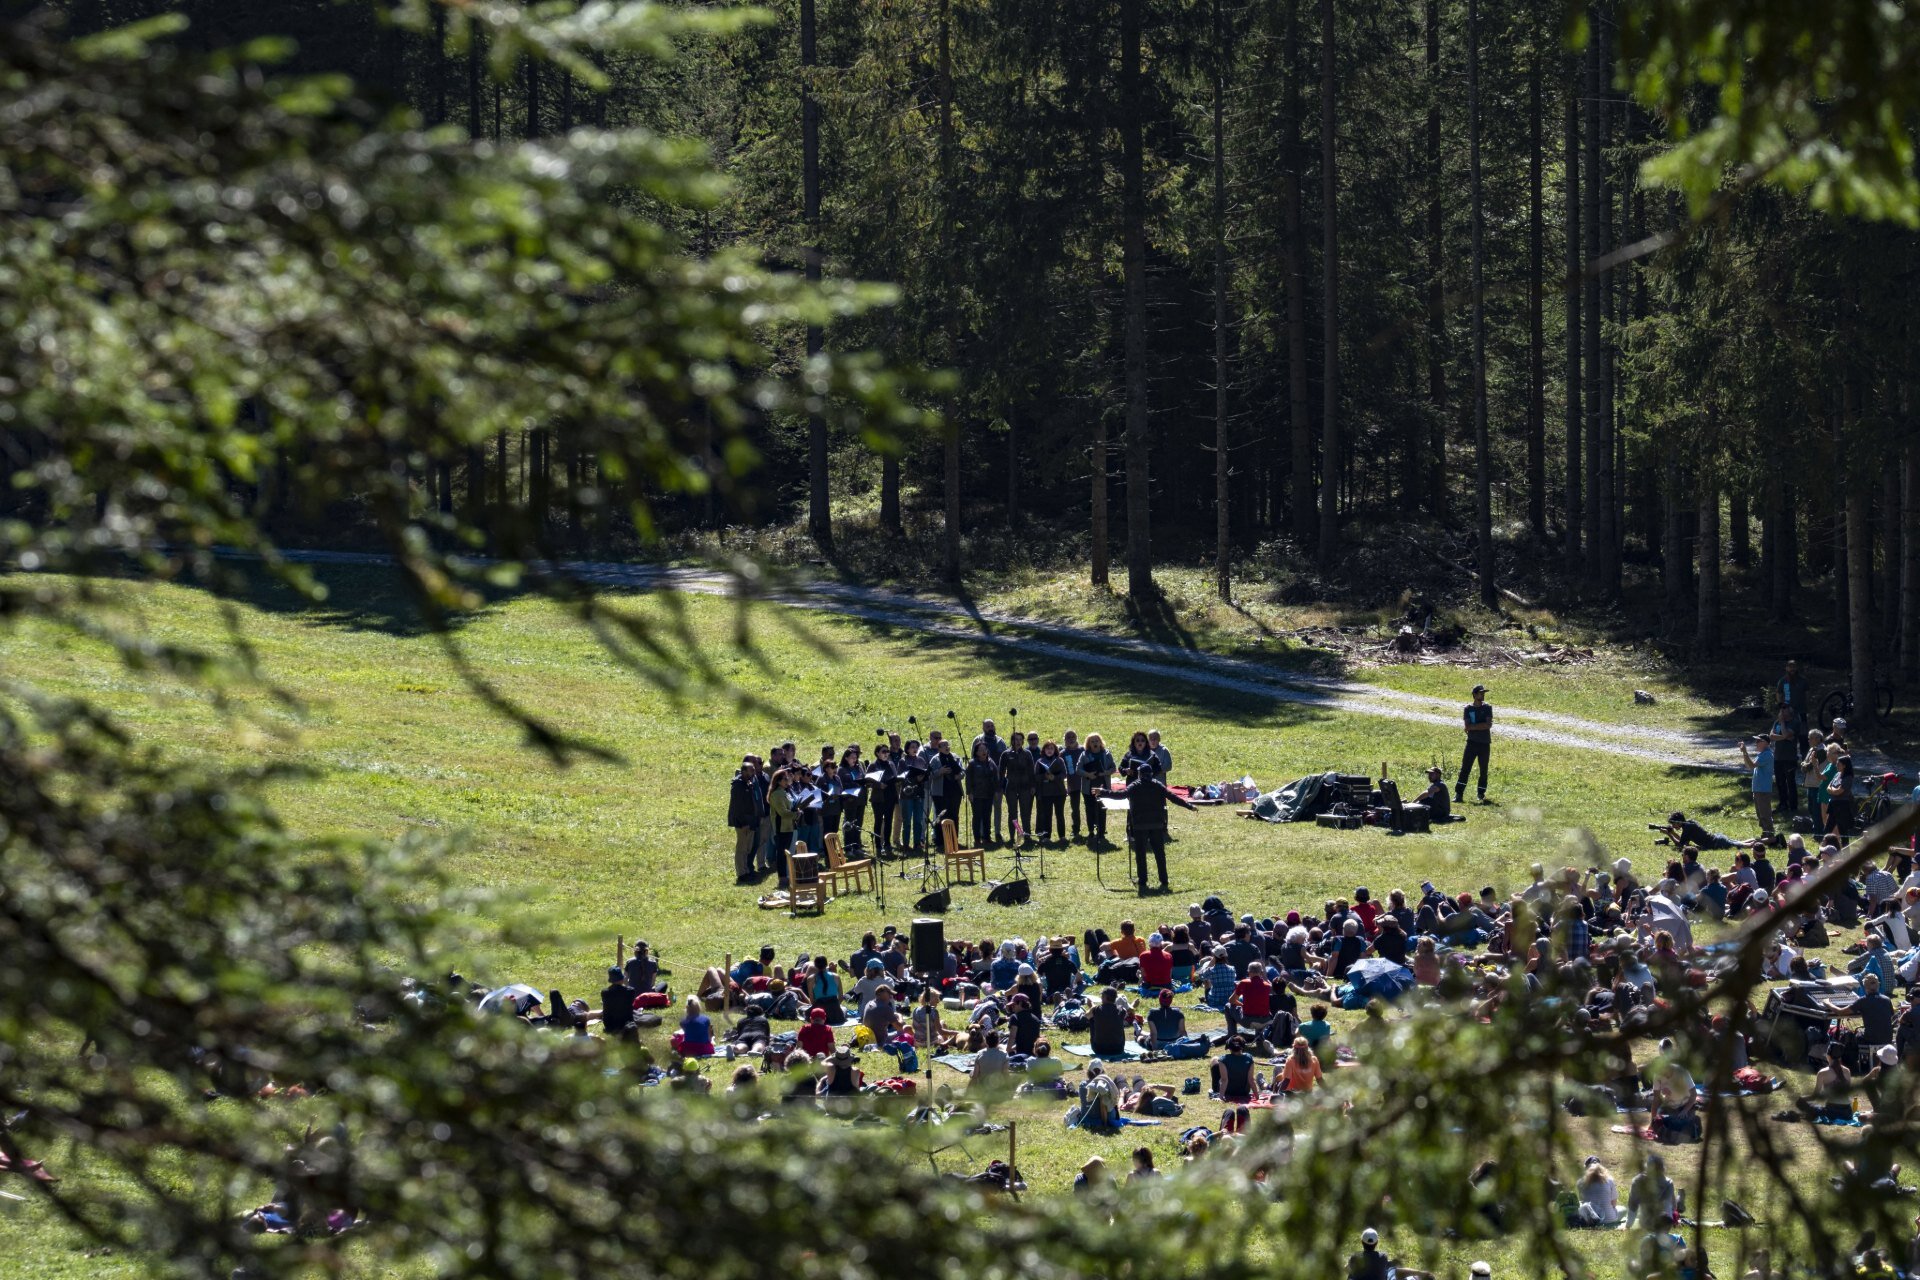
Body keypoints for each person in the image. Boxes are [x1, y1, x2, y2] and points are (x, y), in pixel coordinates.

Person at [1101, 764, 1199, 894]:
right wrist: (1189, 806)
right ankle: (1164, 880)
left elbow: (1120, 795)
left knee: (1141, 854)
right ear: (1151, 774)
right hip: (1157, 824)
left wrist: (1102, 792)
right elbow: (1173, 798)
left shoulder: (1135, 786)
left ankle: (1143, 881)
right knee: (1160, 854)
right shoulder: (1157, 785)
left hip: (1140, 825)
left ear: (1139, 774)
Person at [729, 755, 769, 882]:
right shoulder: (738, 785)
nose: (754, 772)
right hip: (743, 823)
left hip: (752, 821)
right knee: (741, 848)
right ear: (744, 771)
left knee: (748, 848)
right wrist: (743, 822)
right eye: (751, 770)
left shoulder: (750, 783)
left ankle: (746, 870)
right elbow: (737, 807)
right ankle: (741, 873)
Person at [972, 719, 1009, 842]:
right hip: (981, 783)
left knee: (997, 808)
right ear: (983, 728)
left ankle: (997, 832)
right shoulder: (977, 740)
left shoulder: (1000, 741)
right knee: (983, 810)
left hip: (997, 780)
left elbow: (1006, 760)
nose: (990, 728)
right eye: (987, 726)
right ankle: (983, 834)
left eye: (992, 725)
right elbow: (973, 759)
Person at [1457, 683, 1492, 804]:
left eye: (1483, 693)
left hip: (1484, 743)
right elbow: (1467, 726)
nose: (1483, 695)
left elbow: (1488, 725)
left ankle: (1481, 793)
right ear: (1474, 694)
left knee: (1483, 770)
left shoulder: (1487, 707)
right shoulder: (1468, 708)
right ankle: (1459, 794)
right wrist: (1477, 726)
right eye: (1480, 693)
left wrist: (1473, 727)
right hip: (1471, 743)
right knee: (1465, 768)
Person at [1078, 733, 1117, 843]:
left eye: (1097, 741)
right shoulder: (1084, 755)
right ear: (1088, 744)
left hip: (1103, 786)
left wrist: (1106, 772)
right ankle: (1091, 831)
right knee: (1089, 809)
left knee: (1102, 809)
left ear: (1100, 742)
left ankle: (1101, 833)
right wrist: (1088, 774)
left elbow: (1114, 768)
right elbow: (1078, 769)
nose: (1095, 743)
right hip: (1088, 787)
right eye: (1092, 741)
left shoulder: (1107, 754)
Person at [1000, 733, 1037, 846]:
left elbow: (1032, 771)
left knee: (1026, 812)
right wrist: (1001, 788)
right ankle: (1013, 836)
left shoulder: (1027, 753)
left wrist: (1032, 786)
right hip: (1011, 787)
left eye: (1020, 739)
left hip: (1025, 787)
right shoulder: (1006, 754)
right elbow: (1001, 773)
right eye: (1016, 739)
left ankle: (1026, 835)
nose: (1018, 742)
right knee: (1013, 813)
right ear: (1012, 741)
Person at [1624, 1154, 1677, 1228]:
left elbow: (1633, 1206)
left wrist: (1628, 1226)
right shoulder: (1669, 1182)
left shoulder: (1637, 1181)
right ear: (1662, 1168)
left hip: (1645, 1223)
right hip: (1665, 1225)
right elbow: (1673, 1207)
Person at [1740, 733, 1777, 837]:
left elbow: (1751, 765)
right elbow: (1749, 766)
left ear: (1765, 743)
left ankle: (1770, 834)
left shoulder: (1767, 754)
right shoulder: (1761, 754)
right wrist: (1744, 754)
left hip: (1763, 790)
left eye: (1758, 741)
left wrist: (1745, 752)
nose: (1756, 743)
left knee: (1765, 814)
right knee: (1760, 814)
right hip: (1758, 789)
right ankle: (1765, 833)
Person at [897, 739, 930, 853]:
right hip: (907, 794)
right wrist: (915, 778)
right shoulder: (903, 761)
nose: (914, 749)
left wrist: (923, 777)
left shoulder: (921, 760)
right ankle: (906, 845)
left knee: (918, 820)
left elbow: (926, 774)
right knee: (907, 821)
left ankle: (917, 843)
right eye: (912, 747)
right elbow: (901, 777)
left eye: (916, 747)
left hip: (919, 793)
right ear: (907, 749)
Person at [964, 742, 1000, 848]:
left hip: (988, 794)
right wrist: (969, 792)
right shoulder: (972, 763)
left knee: (987, 816)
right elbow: (968, 779)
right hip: (976, 795)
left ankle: (987, 838)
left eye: (985, 749)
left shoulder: (991, 762)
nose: (984, 752)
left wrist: (997, 790)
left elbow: (996, 777)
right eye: (981, 750)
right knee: (977, 817)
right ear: (976, 752)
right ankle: (977, 839)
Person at [867, 742, 898, 856]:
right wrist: (878, 785)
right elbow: (868, 782)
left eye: (887, 751)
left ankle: (887, 844)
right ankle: (878, 846)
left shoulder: (891, 764)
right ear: (877, 753)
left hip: (890, 795)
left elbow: (895, 776)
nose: (886, 754)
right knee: (878, 821)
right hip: (879, 797)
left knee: (889, 820)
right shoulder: (873, 765)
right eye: (883, 752)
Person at [1034, 741, 1069, 842]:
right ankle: (1046, 836)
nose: (1049, 750)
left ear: (1055, 750)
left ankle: (1062, 836)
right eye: (1047, 748)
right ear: (1044, 750)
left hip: (1059, 792)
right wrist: (1044, 776)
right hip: (1046, 793)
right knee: (1047, 815)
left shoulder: (1060, 760)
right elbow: (1036, 777)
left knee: (1060, 814)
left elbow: (1064, 774)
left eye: (1051, 748)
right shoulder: (1039, 761)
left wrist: (1054, 777)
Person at [1211, 1035, 1258, 1102]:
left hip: (1227, 1092)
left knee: (1214, 1059)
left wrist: (1220, 1097)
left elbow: (1224, 1080)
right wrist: (1257, 1096)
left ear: (1229, 1048)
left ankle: (1215, 1090)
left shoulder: (1223, 1059)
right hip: (1244, 1092)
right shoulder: (1249, 1058)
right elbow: (1251, 1079)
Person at [1577, 1156, 1622, 1225]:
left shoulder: (1580, 1182)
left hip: (1590, 1220)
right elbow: (1614, 1204)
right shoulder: (1609, 1180)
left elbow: (1583, 1201)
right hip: (1609, 1219)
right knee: (1622, 1209)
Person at [1088, 986, 1131, 1057]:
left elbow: (1087, 1016)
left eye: (1102, 996)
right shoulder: (1121, 1010)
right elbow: (1126, 1014)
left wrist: (1092, 1006)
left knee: (1092, 1019)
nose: (1101, 998)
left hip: (1099, 1049)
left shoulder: (1096, 1009)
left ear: (1104, 997)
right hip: (1118, 1049)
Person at [1060, 730, 1087, 840]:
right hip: (1073, 784)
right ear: (1065, 740)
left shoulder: (1083, 750)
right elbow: (1062, 772)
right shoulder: (1063, 753)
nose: (1071, 739)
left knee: (1089, 806)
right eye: (1068, 737)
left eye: (1073, 736)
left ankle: (1093, 828)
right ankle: (1076, 830)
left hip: (1085, 782)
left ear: (1076, 738)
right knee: (1075, 808)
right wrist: (1066, 786)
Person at [600, 968, 636, 1037]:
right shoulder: (631, 991)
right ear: (622, 979)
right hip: (626, 1023)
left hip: (609, 1025)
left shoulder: (604, 992)